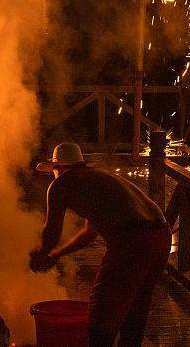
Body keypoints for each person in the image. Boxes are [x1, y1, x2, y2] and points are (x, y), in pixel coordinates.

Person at [30, 143, 170, 346]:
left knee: (102, 306)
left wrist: (42, 254)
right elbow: (89, 233)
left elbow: (51, 229)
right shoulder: (96, 179)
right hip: (161, 235)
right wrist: (57, 254)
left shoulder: (61, 184)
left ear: (56, 167)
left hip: (132, 240)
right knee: (137, 303)